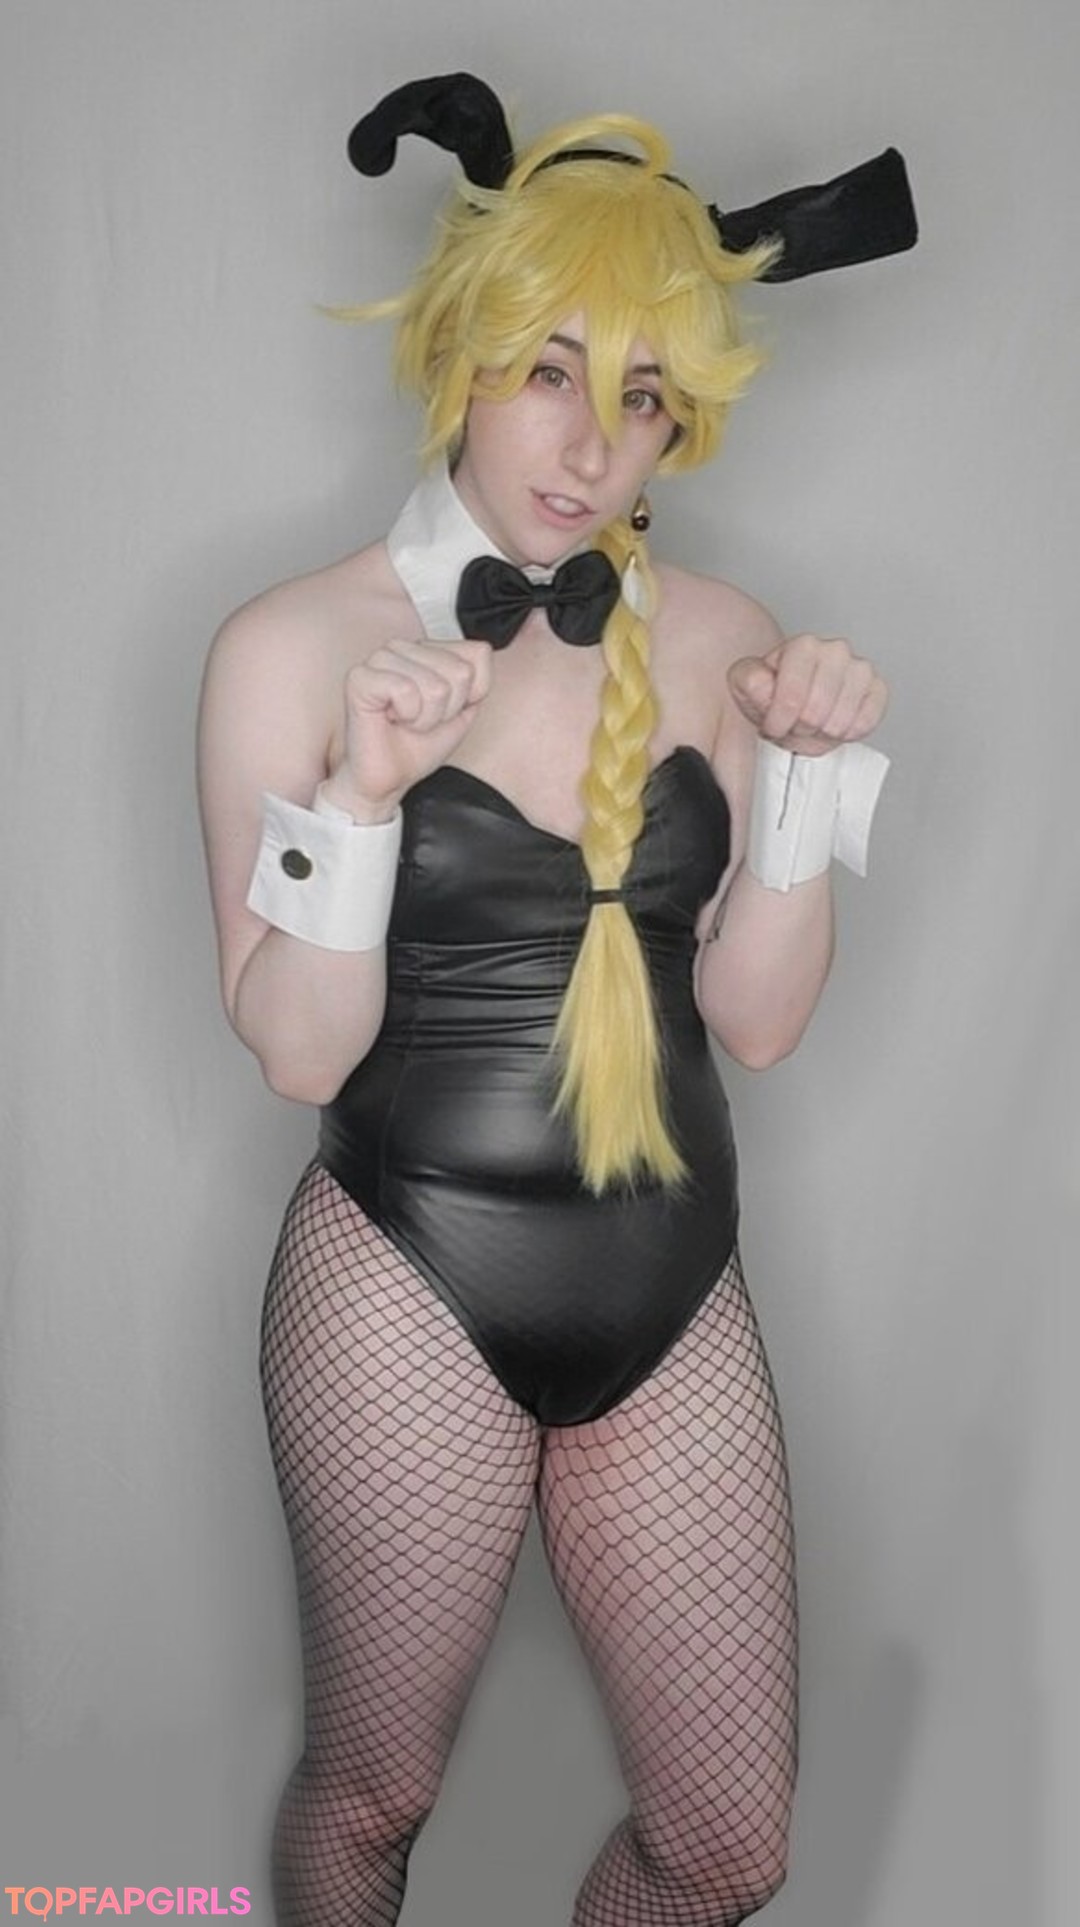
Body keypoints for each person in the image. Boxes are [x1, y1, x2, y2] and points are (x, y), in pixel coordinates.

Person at [197, 75, 910, 1927]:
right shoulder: (291, 644)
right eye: (551, 369)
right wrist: (360, 796)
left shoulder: (727, 642)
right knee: (372, 1796)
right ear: (461, 346)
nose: (595, 443)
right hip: (403, 1274)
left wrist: (804, 785)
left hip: (673, 1275)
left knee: (726, 1845)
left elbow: (758, 1022)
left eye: (647, 395)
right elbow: (296, 1050)